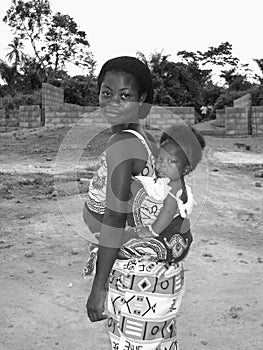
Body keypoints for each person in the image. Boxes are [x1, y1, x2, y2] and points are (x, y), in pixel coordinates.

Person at [84, 56, 203, 350]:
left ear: (143, 102)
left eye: (125, 96)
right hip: (159, 278)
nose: (113, 102)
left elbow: (114, 217)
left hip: (137, 278)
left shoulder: (122, 144)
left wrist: (98, 287)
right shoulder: (146, 139)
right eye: (106, 92)